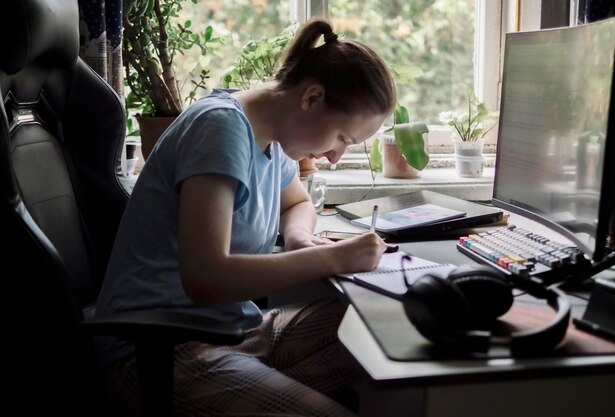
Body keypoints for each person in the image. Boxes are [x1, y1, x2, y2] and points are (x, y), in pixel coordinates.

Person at [96, 17, 396, 417]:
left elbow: (296, 205)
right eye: (343, 137)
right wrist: (334, 258)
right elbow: (207, 278)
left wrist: (299, 239)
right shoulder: (221, 130)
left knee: (385, 324)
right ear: (311, 98)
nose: (335, 156)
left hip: (232, 329)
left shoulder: (271, 136)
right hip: (161, 349)